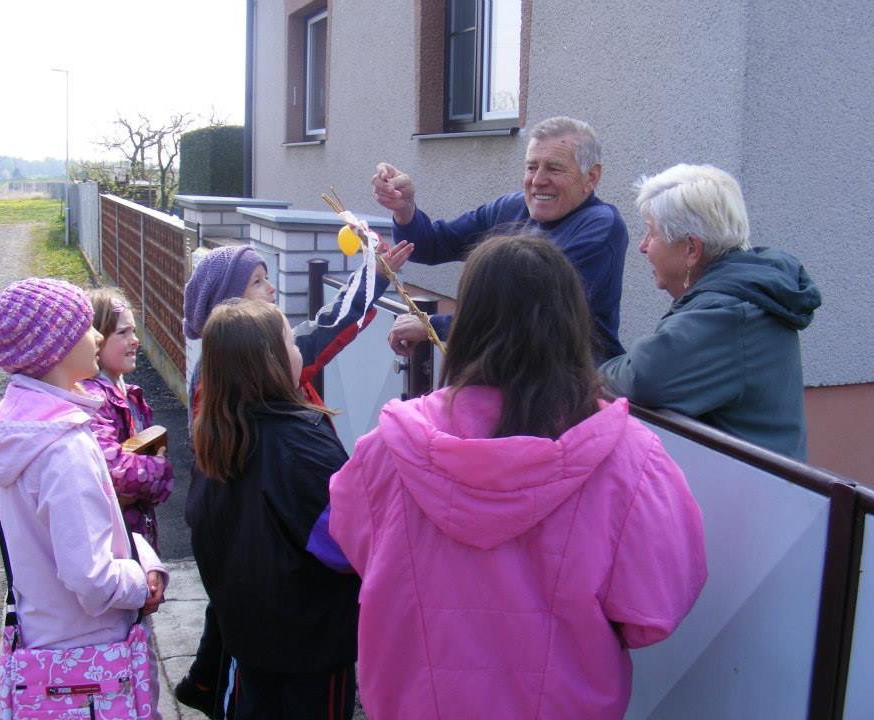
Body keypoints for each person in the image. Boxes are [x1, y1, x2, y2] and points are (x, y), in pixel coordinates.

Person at [329, 235, 707, 719]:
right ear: (572, 324)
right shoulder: (631, 459)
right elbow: (653, 611)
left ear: (468, 322)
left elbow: (353, 545)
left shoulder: (387, 448)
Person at [177, 241, 412, 717]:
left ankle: (207, 680)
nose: (271, 289)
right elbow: (343, 540)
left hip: (252, 622)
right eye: (257, 281)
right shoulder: (294, 442)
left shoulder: (220, 410)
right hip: (307, 635)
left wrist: (371, 277)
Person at [0, 278, 167, 704]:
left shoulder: (19, 429)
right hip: (93, 664)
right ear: (56, 347)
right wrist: (142, 580)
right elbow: (91, 578)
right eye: (86, 327)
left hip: (47, 647)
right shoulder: (62, 446)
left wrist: (140, 555)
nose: (98, 336)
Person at [189, 299, 360, 720]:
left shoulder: (213, 436)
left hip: (246, 637)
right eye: (291, 339)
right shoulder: (301, 443)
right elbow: (346, 546)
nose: (299, 346)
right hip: (311, 647)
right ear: (270, 360)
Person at [599, 164, 821, 461]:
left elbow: (641, 377)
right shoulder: (739, 294)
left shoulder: (727, 314)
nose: (643, 246)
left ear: (692, 249)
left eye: (651, 233)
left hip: (748, 487)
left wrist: (585, 375)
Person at [372, 115, 629, 360]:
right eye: (531, 167)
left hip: (570, 378)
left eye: (554, 168)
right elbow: (431, 246)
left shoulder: (599, 225)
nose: (538, 180)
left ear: (591, 178)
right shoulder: (510, 208)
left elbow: (539, 312)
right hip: (505, 370)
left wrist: (434, 326)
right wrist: (404, 208)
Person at [81, 287, 174, 551]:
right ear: (96, 339)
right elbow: (115, 473)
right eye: (122, 333)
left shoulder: (128, 394)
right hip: (112, 542)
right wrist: (161, 469)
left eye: (133, 331)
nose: (134, 340)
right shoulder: (92, 399)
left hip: (136, 529)